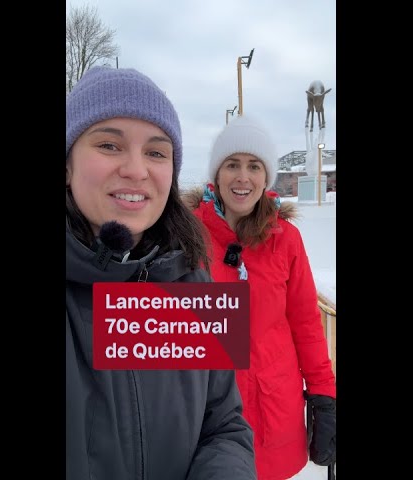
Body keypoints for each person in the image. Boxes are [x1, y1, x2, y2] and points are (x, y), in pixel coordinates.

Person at [66, 66, 257, 480]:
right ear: (67, 165)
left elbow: (222, 425)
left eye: (156, 152)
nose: (137, 169)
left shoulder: (189, 282)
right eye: (109, 145)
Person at [183, 114, 336, 480]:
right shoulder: (185, 237)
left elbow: (306, 324)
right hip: (206, 411)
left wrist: (324, 394)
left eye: (254, 166)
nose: (243, 177)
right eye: (232, 164)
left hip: (273, 408)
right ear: (216, 175)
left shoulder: (285, 239)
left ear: (265, 177)